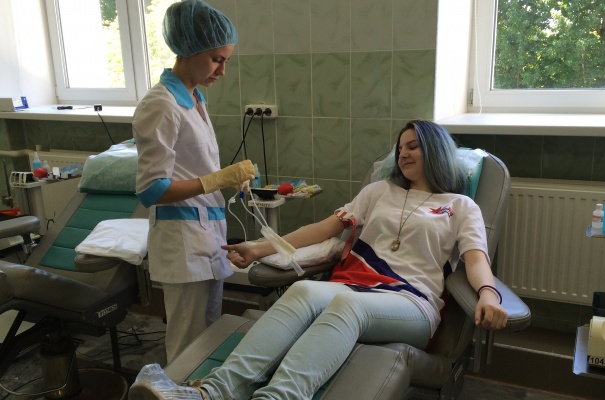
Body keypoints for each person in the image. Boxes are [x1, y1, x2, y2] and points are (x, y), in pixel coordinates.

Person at [128, 120, 508, 400]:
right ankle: (211, 392)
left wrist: (488, 295)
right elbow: (322, 229)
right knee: (305, 290)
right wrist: (259, 248)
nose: (403, 154)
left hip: (411, 302)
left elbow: (476, 260)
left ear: (436, 150)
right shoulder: (379, 192)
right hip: (354, 287)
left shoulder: (461, 206)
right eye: (400, 148)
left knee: (347, 305)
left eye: (414, 146)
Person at [133, 0, 254, 363]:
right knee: (187, 345)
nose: (222, 70)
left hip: (207, 236)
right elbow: (151, 190)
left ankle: (200, 387)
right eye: (217, 59)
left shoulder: (195, 98)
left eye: (226, 61)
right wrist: (217, 179)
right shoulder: (161, 104)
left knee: (208, 337)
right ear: (188, 50)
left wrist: (230, 179)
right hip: (182, 242)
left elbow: (192, 167)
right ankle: (174, 388)